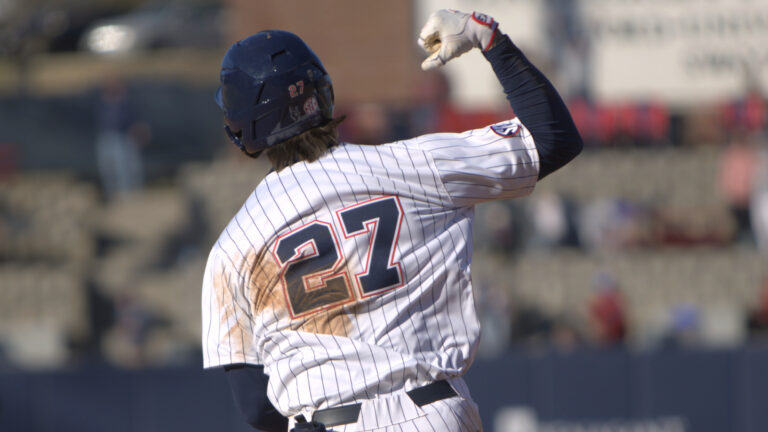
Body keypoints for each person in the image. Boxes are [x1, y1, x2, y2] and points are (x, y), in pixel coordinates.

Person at [201, 9, 582, 432]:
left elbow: (255, 406)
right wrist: (491, 42)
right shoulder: (413, 163)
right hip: (431, 412)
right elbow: (553, 138)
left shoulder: (232, 247)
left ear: (242, 126)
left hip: (327, 423)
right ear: (321, 93)